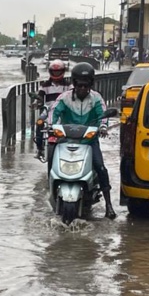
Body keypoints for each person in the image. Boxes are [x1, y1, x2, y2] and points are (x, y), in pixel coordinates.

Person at [51, 62, 116, 219]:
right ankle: (52, 195)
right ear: (74, 84)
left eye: (85, 86)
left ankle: (108, 204)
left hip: (89, 142)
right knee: (51, 162)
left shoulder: (96, 99)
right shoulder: (64, 98)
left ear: (90, 85)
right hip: (66, 141)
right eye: (79, 85)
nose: (82, 89)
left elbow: (103, 116)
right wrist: (49, 126)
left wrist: (103, 127)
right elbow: (54, 111)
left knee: (100, 167)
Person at [32, 60, 71, 160]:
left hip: (63, 111)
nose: (56, 74)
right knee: (39, 122)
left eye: (58, 72)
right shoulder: (45, 85)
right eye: (54, 72)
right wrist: (37, 103)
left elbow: (73, 97)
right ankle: (39, 148)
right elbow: (39, 97)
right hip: (48, 110)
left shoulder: (68, 85)